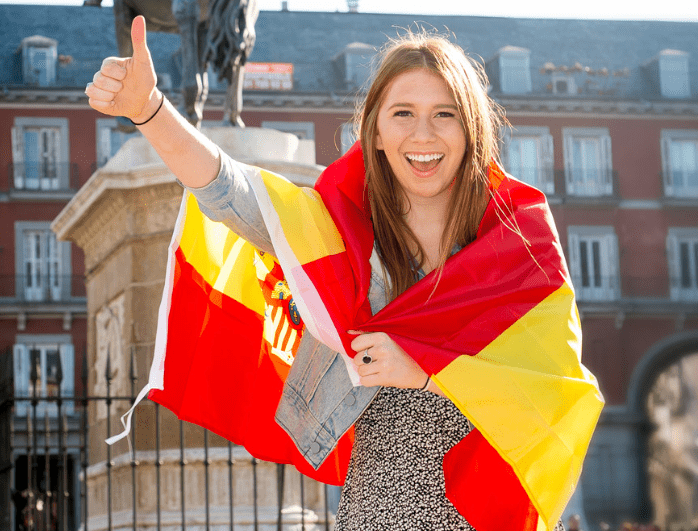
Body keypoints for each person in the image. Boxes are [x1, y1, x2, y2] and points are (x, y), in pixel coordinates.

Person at [88, 15, 601, 531]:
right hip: (378, 504)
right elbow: (232, 193)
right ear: (375, 132)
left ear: (471, 130)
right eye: (403, 113)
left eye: (444, 114)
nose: (423, 134)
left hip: (493, 506)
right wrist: (149, 111)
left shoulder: (521, 242)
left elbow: (559, 391)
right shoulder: (340, 234)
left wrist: (426, 374)